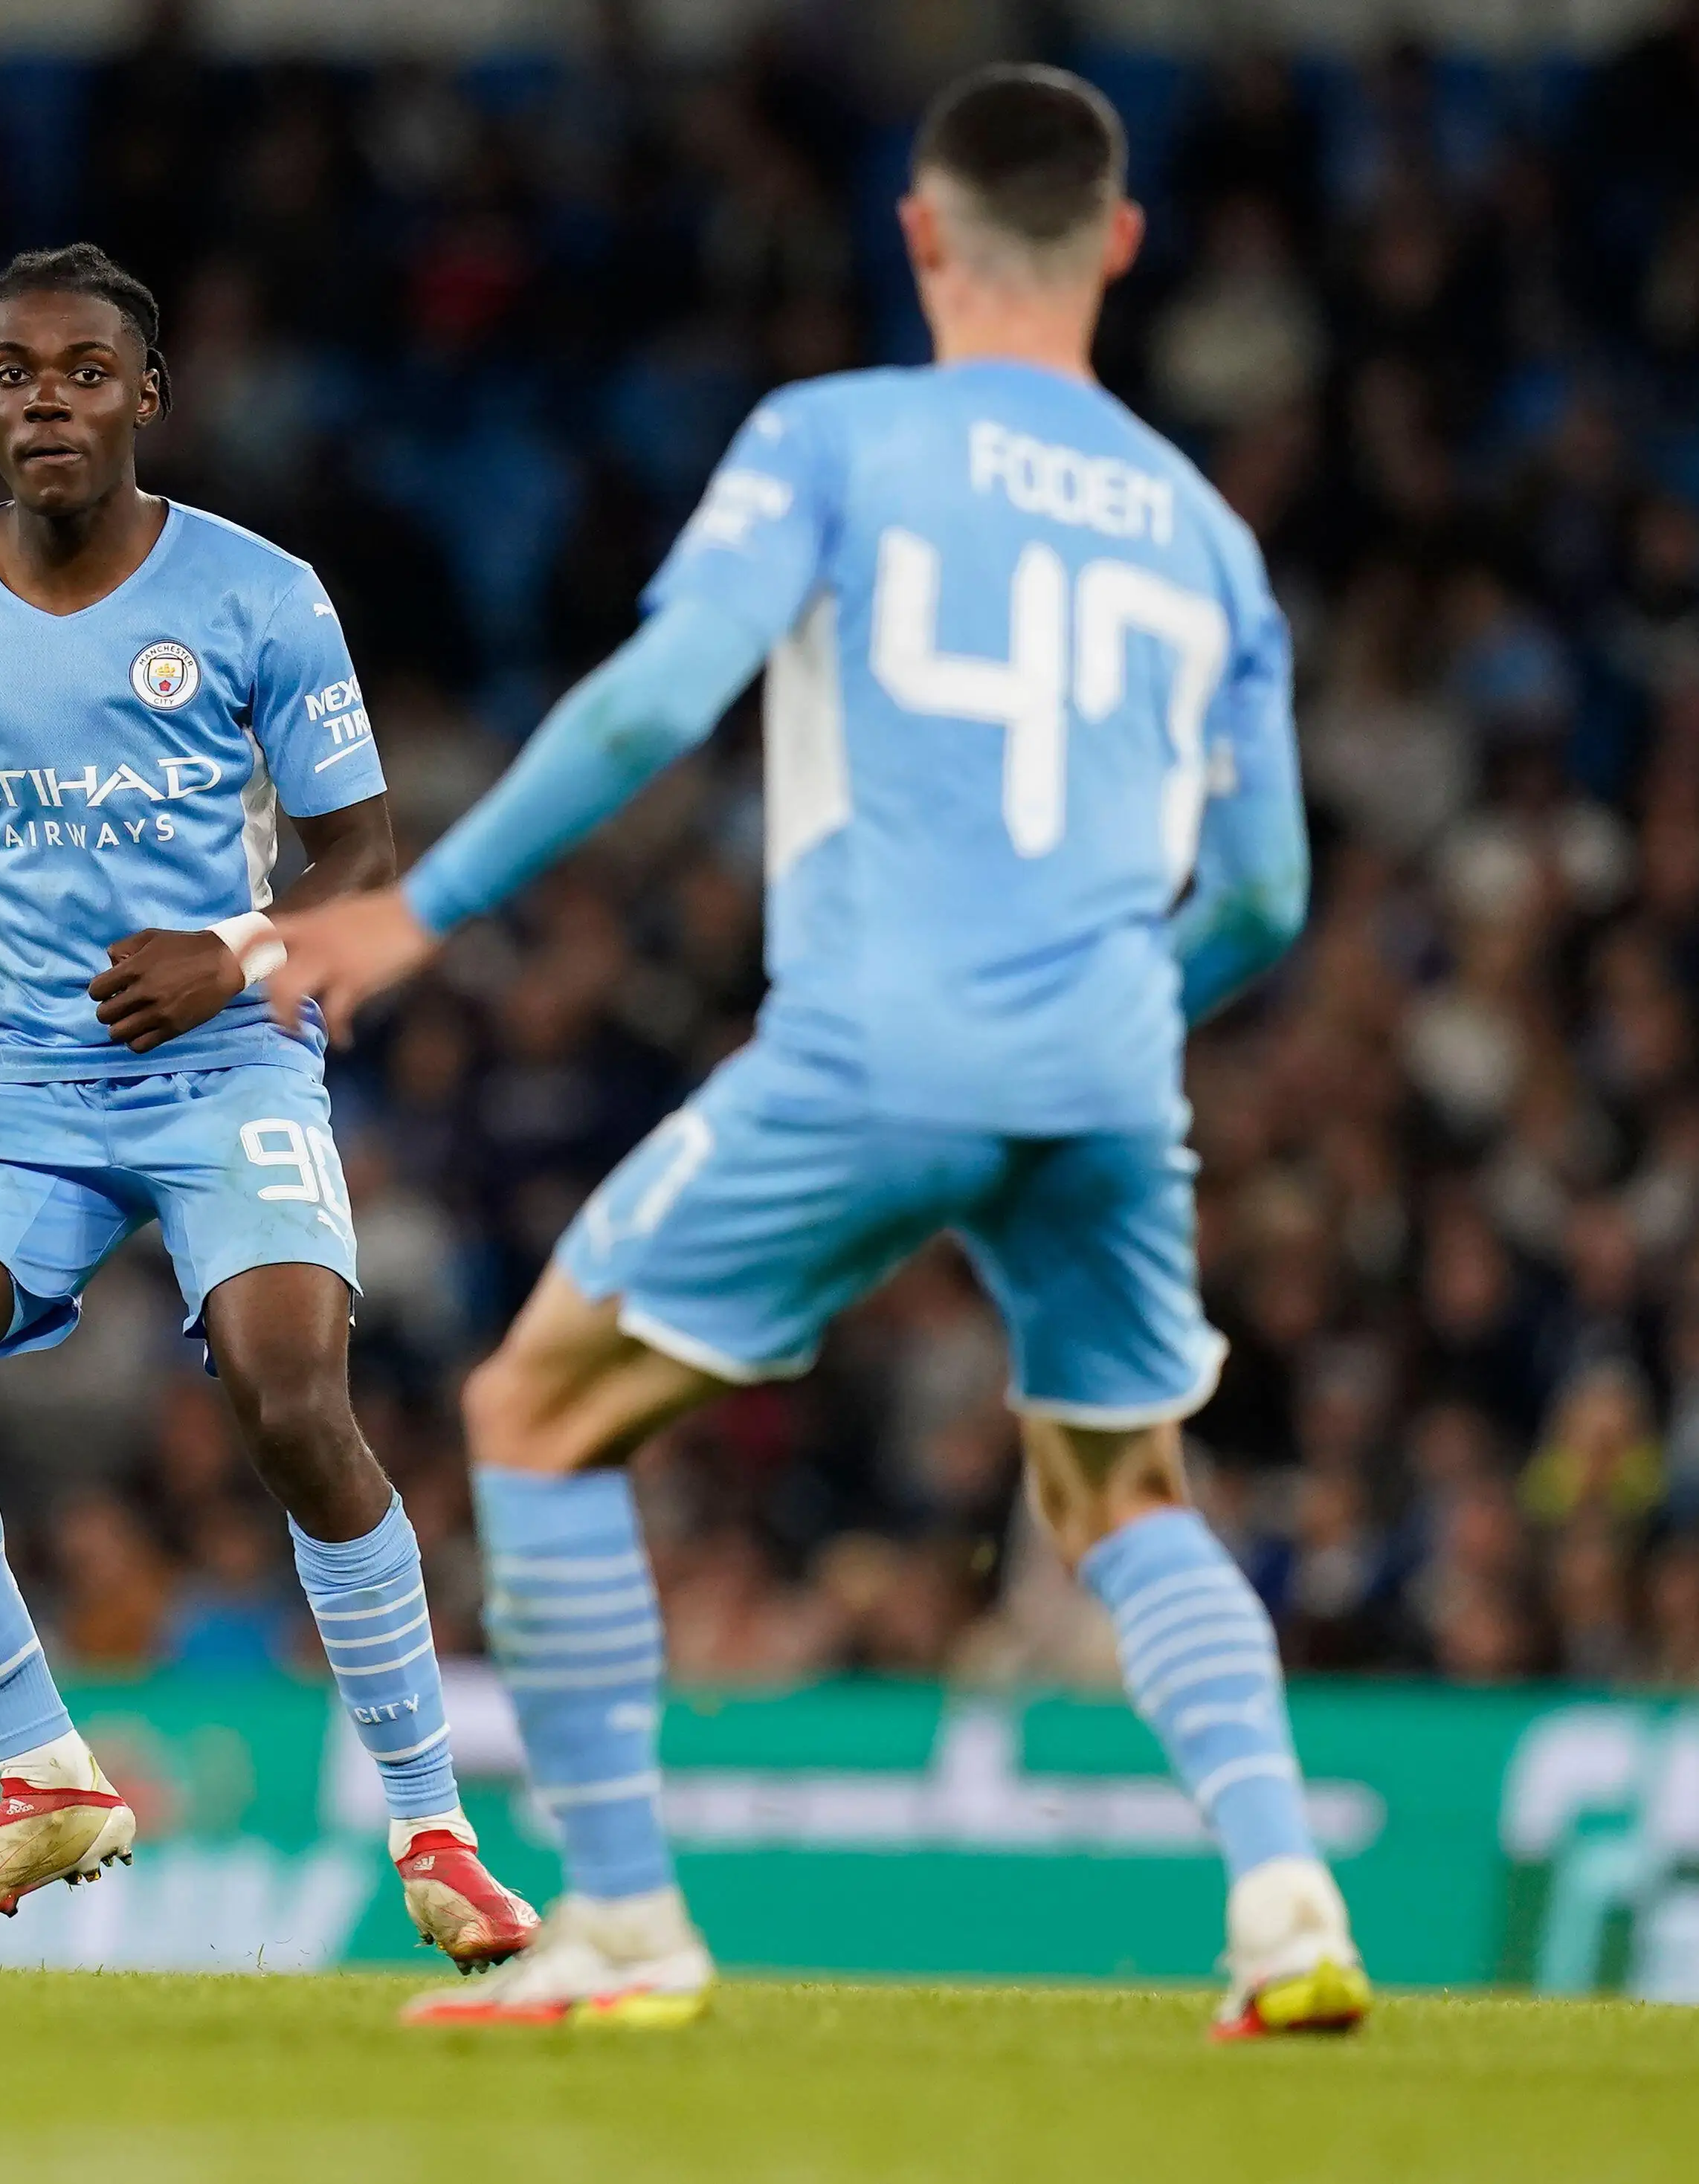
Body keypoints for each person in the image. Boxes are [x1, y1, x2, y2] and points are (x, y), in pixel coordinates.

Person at [268, 65, 1363, 2038]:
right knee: (1122, 1483)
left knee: (532, 1410)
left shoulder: (833, 437)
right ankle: (1285, 1899)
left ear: (918, 231)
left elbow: (654, 699)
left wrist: (409, 913)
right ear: (1115, 247)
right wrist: (1103, 1014)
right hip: (1109, 1071)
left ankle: (622, 1922)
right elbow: (1271, 892)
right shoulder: (1209, 534)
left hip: (880, 1043)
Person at [0, 243, 535, 1965]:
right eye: (8, 372)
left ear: (145, 396)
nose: (41, 398)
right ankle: (45, 1775)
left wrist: (229, 952)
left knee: (290, 1392)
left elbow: (359, 857)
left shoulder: (259, 593)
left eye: (77, 370)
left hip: (229, 1061)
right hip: (23, 1074)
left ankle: (433, 1823)